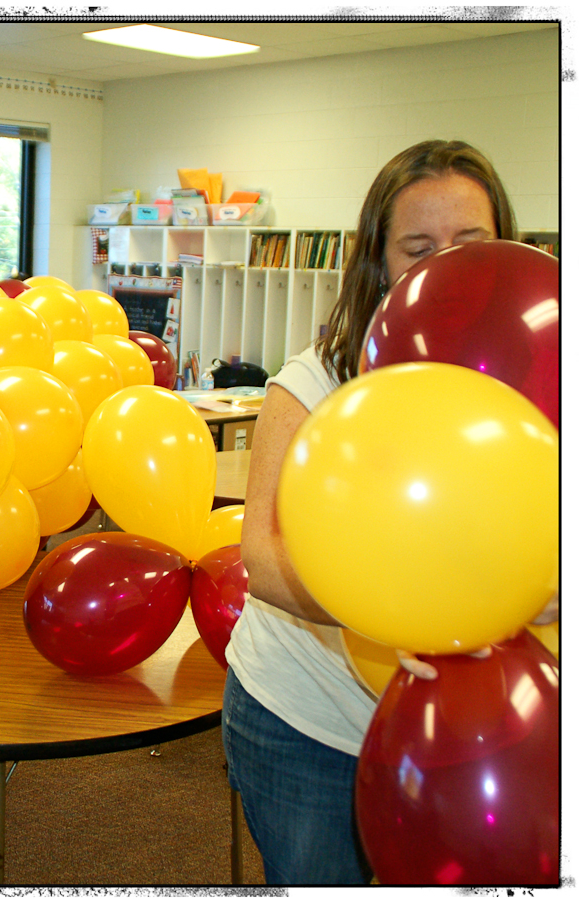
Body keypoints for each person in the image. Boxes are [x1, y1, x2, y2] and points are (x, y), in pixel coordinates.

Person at [221, 139, 555, 884]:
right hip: (306, 720)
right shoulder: (318, 380)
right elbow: (264, 555)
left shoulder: (547, 380)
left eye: (470, 242)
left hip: (483, 725)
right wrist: (378, 618)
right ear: (381, 263)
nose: (445, 266)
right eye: (418, 247)